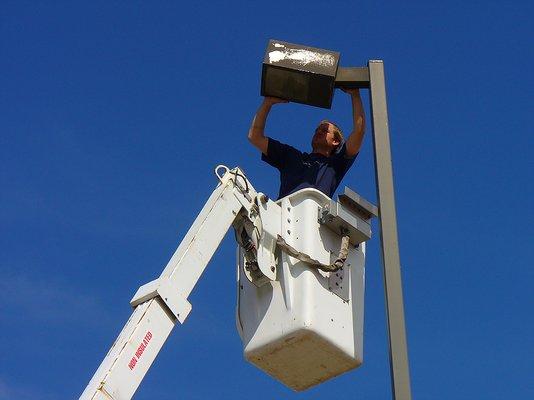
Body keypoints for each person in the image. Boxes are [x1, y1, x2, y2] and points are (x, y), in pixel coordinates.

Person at [248, 88, 365, 199]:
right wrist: (267, 103)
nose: (319, 132)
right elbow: (255, 137)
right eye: (317, 130)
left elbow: (359, 132)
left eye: (324, 131)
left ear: (335, 141)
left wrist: (355, 95)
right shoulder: (291, 156)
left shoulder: (335, 165)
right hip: (282, 216)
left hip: (312, 218)